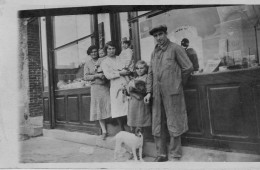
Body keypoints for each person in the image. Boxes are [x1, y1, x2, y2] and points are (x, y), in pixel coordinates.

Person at [144, 25, 193, 162]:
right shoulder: (154, 53)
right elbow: (150, 74)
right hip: (156, 94)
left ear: (166, 34)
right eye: (155, 36)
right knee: (157, 123)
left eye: (160, 34)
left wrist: (178, 84)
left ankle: (175, 154)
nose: (158, 38)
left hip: (173, 93)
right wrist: (148, 91)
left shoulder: (175, 48)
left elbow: (188, 68)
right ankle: (161, 154)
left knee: (174, 122)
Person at [101, 41, 130, 131]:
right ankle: (122, 129)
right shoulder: (104, 62)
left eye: (113, 48)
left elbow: (126, 67)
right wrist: (120, 72)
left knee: (128, 105)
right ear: (106, 50)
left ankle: (131, 127)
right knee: (118, 107)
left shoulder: (120, 58)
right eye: (109, 49)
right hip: (115, 84)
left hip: (125, 82)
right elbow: (108, 75)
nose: (111, 50)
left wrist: (125, 71)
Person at [84, 45, 111, 140]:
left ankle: (114, 128)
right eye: (92, 52)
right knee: (98, 109)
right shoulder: (87, 63)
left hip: (105, 87)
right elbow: (86, 77)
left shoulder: (103, 60)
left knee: (108, 105)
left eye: (95, 51)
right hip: (95, 88)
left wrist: (103, 74)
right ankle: (104, 131)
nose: (94, 53)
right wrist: (97, 75)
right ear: (89, 54)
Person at [127, 60, 151, 134]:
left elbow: (144, 89)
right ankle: (135, 139)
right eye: (137, 68)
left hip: (140, 103)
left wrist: (133, 90)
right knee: (134, 121)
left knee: (140, 121)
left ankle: (140, 140)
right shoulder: (135, 78)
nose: (139, 70)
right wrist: (129, 90)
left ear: (145, 69)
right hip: (133, 103)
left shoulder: (146, 78)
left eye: (141, 68)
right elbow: (129, 90)